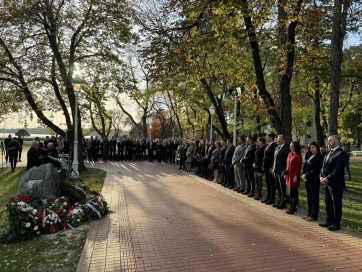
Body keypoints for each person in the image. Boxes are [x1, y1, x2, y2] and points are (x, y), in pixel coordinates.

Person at [319, 135, 349, 231]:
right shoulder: (328, 153)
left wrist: (328, 178)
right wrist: (321, 176)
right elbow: (323, 166)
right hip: (326, 183)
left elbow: (338, 169)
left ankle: (336, 224)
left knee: (336, 204)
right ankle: (329, 220)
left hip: (335, 183)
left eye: (330, 140)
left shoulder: (341, 153)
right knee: (328, 202)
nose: (328, 142)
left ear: (336, 141)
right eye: (328, 140)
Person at [302, 141, 324, 221]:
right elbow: (306, 166)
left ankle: (314, 215)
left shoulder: (320, 157)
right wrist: (304, 175)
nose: (312, 149)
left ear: (317, 147)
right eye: (310, 148)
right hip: (307, 179)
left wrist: (306, 175)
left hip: (314, 180)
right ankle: (309, 213)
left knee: (314, 197)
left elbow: (316, 169)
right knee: (309, 197)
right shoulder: (310, 156)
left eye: (313, 147)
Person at [283, 141, 302, 215]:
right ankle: (291, 207)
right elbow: (287, 165)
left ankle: (293, 208)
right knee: (290, 192)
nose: (290, 147)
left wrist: (295, 176)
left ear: (295, 147)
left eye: (292, 146)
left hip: (294, 176)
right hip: (289, 175)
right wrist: (285, 173)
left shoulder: (298, 155)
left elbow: (298, 167)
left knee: (294, 192)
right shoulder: (289, 154)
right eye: (290, 146)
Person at [271, 134, 289, 209]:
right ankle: (279, 201)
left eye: (279, 139)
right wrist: (273, 168)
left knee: (282, 187)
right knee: (277, 187)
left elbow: (287, 161)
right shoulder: (277, 147)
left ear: (283, 140)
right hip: (276, 170)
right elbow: (274, 159)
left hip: (281, 171)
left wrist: (284, 171)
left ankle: (283, 202)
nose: (277, 140)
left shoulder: (286, 148)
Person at [262, 134, 277, 204]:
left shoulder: (274, 146)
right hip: (265, 166)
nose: (266, 138)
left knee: (272, 183)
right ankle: (268, 197)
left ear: (271, 138)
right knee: (268, 183)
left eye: (267, 137)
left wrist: (272, 167)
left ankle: (272, 198)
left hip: (270, 167)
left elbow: (274, 158)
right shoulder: (267, 146)